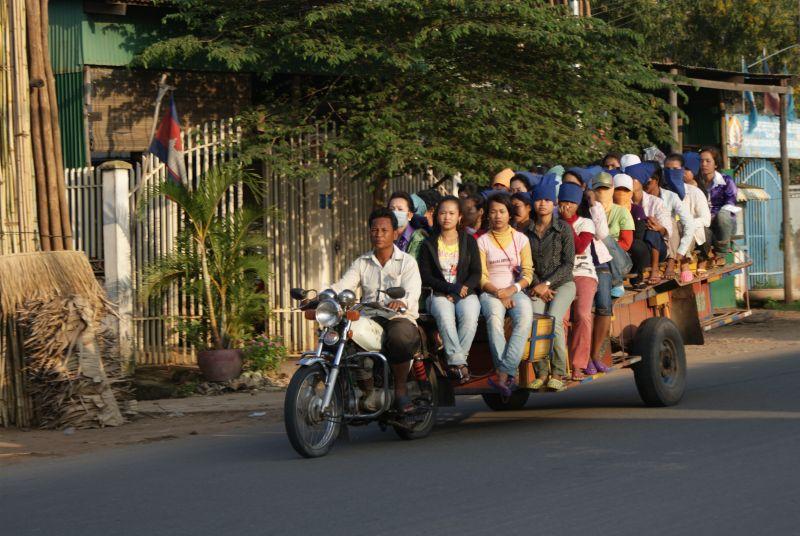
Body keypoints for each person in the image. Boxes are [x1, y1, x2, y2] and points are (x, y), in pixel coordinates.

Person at [331, 208, 422, 413]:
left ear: (395, 233)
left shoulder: (407, 262)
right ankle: (364, 390)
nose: (379, 234)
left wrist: (402, 302)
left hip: (398, 316)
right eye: (374, 230)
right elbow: (343, 285)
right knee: (344, 335)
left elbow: (412, 292)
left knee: (400, 335)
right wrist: (321, 296)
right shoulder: (362, 262)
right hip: (370, 316)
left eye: (384, 230)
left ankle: (400, 390)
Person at [418, 196, 482, 384]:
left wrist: (457, 292)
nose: (447, 217)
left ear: (460, 217)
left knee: (470, 316)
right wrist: (449, 288)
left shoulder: (469, 241)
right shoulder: (428, 243)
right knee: (445, 316)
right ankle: (460, 363)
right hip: (437, 293)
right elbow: (426, 276)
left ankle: (454, 362)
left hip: (465, 293)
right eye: (443, 213)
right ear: (437, 216)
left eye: (452, 213)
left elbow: (476, 272)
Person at [477, 193, 534, 397]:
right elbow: (481, 276)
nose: (497, 216)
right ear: (487, 215)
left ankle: (504, 370)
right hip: (490, 292)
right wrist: (497, 292)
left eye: (502, 211)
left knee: (525, 316)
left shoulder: (521, 239)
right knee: (493, 320)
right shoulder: (482, 241)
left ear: (510, 214)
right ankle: (506, 374)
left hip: (514, 290)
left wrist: (511, 290)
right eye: (493, 212)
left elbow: (528, 273)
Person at [524, 179, 576, 392]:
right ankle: (541, 373)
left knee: (553, 321)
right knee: (533, 321)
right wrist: (538, 285)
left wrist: (546, 284)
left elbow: (568, 264)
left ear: (553, 202)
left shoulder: (563, 227)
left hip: (563, 284)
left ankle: (558, 372)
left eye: (547, 200)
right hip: (536, 286)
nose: (543, 204)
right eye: (538, 200)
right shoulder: (525, 230)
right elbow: (525, 263)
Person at [557, 183, 597, 381]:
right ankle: (560, 365)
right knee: (559, 318)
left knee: (582, 314)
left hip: (583, 272)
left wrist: (566, 223)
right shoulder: (553, 222)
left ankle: (578, 364)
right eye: (564, 202)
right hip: (560, 275)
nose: (567, 206)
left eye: (571, 203)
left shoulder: (585, 223)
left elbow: (579, 247)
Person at [640, 162, 698, 280]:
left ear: (656, 180)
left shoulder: (671, 196)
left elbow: (689, 223)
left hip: (671, 241)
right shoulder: (638, 196)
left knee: (671, 221)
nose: (645, 185)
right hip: (649, 239)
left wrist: (681, 251)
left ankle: (671, 263)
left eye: (648, 182)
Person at [626, 162, 673, 286]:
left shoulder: (656, 202)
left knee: (652, 231)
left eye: (632, 179)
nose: (628, 182)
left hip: (657, 248)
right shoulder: (623, 202)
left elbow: (667, 230)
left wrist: (659, 228)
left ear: (640, 181)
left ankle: (655, 269)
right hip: (638, 247)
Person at [666, 153, 712, 271]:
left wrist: (687, 223)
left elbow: (706, 220)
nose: (671, 173)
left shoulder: (695, 192)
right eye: (667, 169)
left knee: (685, 227)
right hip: (669, 235)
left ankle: (684, 262)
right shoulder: (662, 193)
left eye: (675, 169)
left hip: (692, 233)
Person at [699, 147, 738, 256]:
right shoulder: (697, 182)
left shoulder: (726, 181)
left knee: (723, 214)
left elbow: (731, 204)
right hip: (706, 222)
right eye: (701, 161)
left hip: (725, 223)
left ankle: (723, 252)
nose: (704, 164)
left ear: (716, 164)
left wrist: (713, 215)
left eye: (708, 161)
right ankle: (704, 256)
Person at [388, 191, 427, 258]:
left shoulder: (418, 239)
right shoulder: (386, 236)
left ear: (409, 215)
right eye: (392, 209)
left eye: (400, 209)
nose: (395, 212)